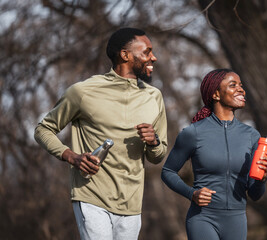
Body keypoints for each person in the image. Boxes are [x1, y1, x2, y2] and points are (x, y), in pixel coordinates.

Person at [34, 28, 167, 240]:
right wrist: (71, 156)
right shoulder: (83, 91)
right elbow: (43, 129)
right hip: (91, 194)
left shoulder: (154, 97)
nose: (154, 57)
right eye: (147, 51)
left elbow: (158, 156)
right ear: (125, 55)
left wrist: (154, 142)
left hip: (132, 202)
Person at [161, 69, 267, 240]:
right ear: (216, 94)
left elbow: (256, 195)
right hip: (203, 218)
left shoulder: (252, 136)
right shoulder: (193, 133)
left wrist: (262, 178)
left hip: (237, 219)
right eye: (233, 85)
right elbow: (167, 171)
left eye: (241, 86)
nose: (241, 89)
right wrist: (192, 194)